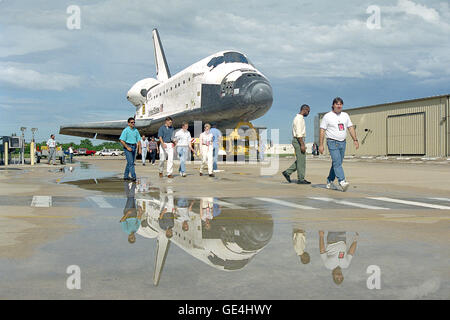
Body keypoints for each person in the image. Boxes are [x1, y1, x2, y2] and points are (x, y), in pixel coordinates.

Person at [318, 97, 359, 191]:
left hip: (343, 142)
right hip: (332, 142)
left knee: (337, 163)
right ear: (333, 105)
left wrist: (355, 140)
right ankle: (342, 181)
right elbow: (322, 130)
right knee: (337, 162)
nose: (339, 106)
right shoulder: (327, 116)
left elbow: (351, 128)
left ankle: (329, 181)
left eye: (340, 104)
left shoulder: (345, 115)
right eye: (337, 104)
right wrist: (321, 144)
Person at [282, 104, 311, 184]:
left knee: (301, 160)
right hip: (298, 140)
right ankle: (301, 179)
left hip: (299, 140)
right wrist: (302, 144)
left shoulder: (300, 118)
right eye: (308, 111)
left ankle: (287, 172)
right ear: (304, 110)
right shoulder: (298, 119)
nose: (308, 113)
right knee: (301, 161)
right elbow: (298, 133)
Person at [119, 117, 142, 181]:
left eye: (134, 122)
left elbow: (139, 140)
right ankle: (134, 176)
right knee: (131, 163)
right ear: (128, 123)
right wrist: (127, 147)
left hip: (134, 147)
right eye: (132, 122)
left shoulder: (136, 130)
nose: (133, 123)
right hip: (127, 147)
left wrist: (140, 149)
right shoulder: (125, 130)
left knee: (129, 162)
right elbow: (121, 140)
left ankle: (126, 176)